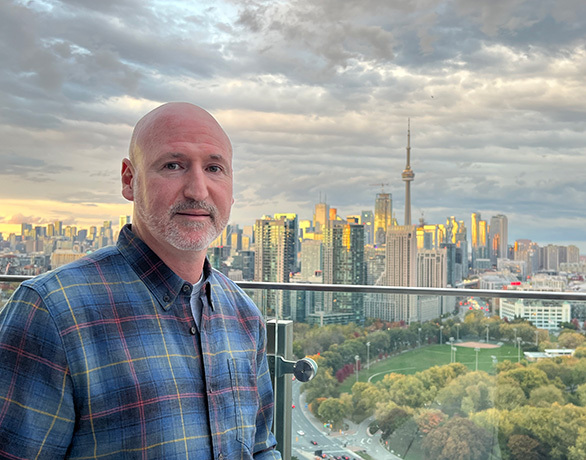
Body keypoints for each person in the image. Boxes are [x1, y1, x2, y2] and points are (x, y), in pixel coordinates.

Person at [0, 103, 281, 459]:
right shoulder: (53, 311)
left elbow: (260, 447)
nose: (197, 189)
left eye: (214, 168)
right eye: (173, 165)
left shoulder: (243, 315)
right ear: (129, 180)